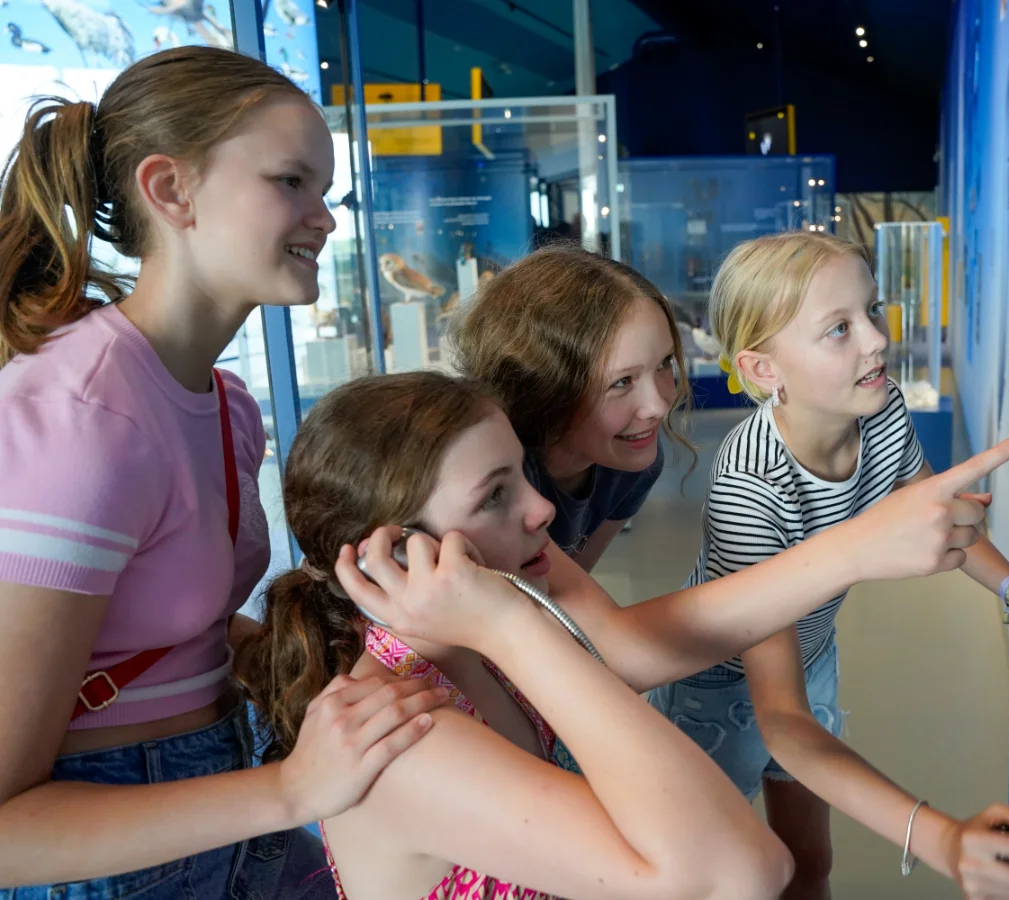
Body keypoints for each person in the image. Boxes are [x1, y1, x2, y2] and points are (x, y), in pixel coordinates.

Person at [0, 47, 445, 896]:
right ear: (171, 191)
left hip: (218, 799)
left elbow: (167, 628)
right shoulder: (80, 420)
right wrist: (289, 788)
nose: (324, 217)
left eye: (323, 189)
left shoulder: (226, 403)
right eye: (291, 182)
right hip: (115, 847)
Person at [234, 371, 794, 900]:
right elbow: (746, 872)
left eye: (522, 474)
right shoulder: (403, 735)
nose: (543, 508)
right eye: (494, 497)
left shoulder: (475, 646)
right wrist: (508, 621)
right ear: (399, 558)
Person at [647, 231, 1009, 900]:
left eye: (872, 311)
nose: (876, 339)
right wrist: (938, 835)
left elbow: (939, 513)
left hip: (812, 650)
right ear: (765, 370)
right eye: (838, 329)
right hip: (720, 690)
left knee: (810, 862)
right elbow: (782, 719)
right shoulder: (749, 484)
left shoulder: (880, 412)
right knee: (735, 879)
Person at [449, 245, 691, 570]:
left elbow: (574, 596)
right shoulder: (499, 483)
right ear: (544, 387)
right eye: (621, 382)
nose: (658, 406)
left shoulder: (634, 463)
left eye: (664, 363)